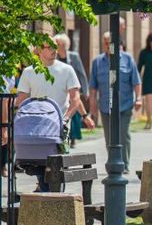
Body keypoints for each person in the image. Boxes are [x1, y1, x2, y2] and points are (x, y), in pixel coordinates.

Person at [7, 42, 90, 188]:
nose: (54, 50)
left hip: (60, 126)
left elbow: (75, 99)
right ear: (39, 50)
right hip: (37, 127)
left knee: (56, 167)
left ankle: (49, 194)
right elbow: (21, 101)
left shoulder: (67, 70)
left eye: (55, 47)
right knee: (40, 164)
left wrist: (66, 118)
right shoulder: (29, 72)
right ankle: (46, 192)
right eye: (50, 47)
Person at [90, 31, 141, 170]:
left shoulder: (128, 59)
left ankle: (124, 164)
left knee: (123, 135)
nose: (108, 46)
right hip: (106, 106)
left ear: (117, 44)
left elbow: (136, 82)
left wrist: (139, 99)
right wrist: (93, 104)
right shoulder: (97, 62)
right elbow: (93, 86)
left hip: (124, 105)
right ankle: (113, 163)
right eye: (105, 43)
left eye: (110, 43)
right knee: (109, 137)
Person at [54, 34, 89, 143]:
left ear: (64, 45)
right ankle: (67, 135)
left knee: (74, 113)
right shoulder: (54, 57)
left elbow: (82, 74)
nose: (56, 46)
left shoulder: (74, 56)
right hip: (62, 90)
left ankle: (73, 137)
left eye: (58, 44)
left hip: (73, 88)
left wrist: (86, 91)